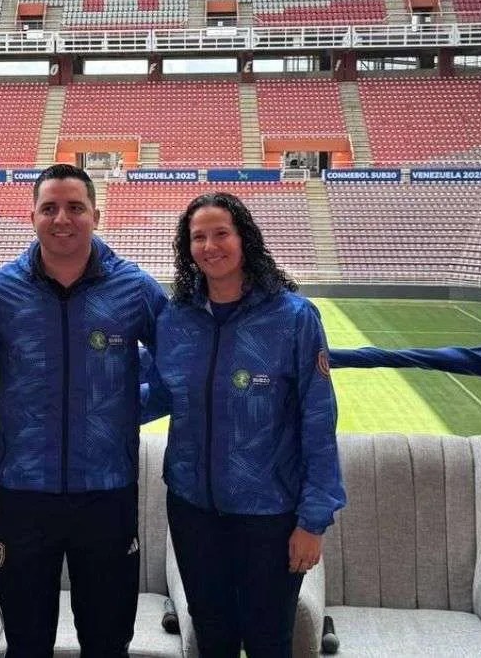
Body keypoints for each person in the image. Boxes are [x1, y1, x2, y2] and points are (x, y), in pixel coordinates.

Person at [0, 163, 168, 657]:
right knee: (26, 642)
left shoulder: (135, 289)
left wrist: (122, 412)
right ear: (31, 215)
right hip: (21, 495)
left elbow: (178, 369)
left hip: (106, 495)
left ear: (96, 215)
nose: (63, 218)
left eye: (75, 207)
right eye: (50, 207)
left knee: (106, 642)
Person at [149, 192, 346, 658]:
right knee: (211, 635)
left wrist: (313, 521)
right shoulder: (177, 318)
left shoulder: (293, 318)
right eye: (198, 237)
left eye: (221, 233)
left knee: (269, 641)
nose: (210, 245)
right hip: (193, 510)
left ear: (245, 239)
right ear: (186, 248)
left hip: (270, 516)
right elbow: (161, 394)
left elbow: (318, 419)